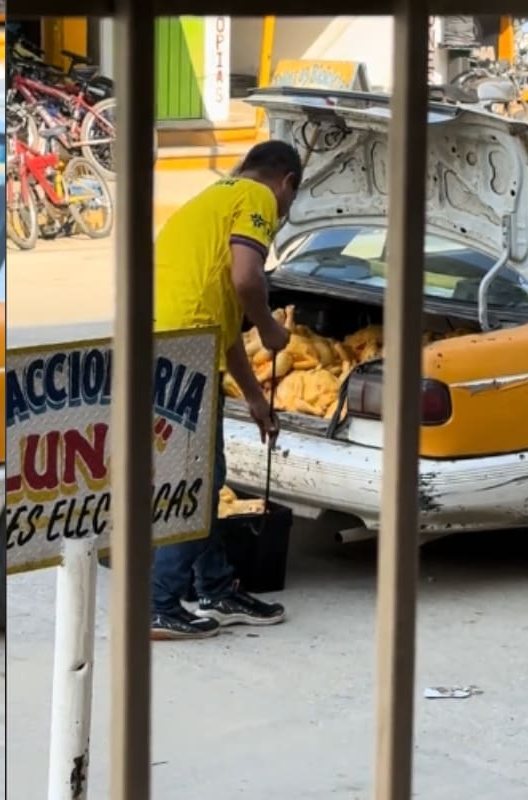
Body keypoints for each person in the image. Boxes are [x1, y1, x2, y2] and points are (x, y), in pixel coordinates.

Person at [149, 140, 302, 640]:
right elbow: (247, 280)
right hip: (184, 349)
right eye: (291, 200)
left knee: (197, 477)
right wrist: (270, 329)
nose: (283, 211)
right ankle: (159, 604)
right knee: (198, 480)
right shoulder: (258, 199)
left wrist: (256, 398)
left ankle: (215, 587)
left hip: (164, 342)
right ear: (287, 183)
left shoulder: (213, 199)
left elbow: (227, 327)